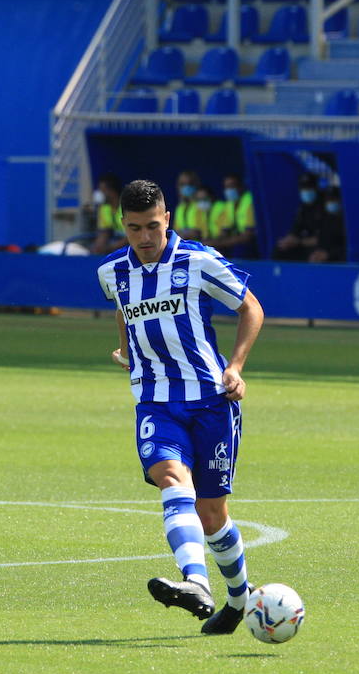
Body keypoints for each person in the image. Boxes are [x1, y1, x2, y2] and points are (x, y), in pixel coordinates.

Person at [96, 179, 266, 634]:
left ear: (167, 218)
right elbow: (122, 308)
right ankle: (197, 582)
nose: (145, 238)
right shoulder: (112, 271)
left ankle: (238, 600)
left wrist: (235, 367)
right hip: (155, 402)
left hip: (211, 400)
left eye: (153, 226)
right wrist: (126, 347)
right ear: (123, 225)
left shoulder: (198, 261)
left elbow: (251, 308)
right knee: (171, 478)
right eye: (134, 229)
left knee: (213, 515)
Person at [276, 173, 335, 263]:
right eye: (303, 188)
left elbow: (325, 238)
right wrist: (288, 240)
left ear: (316, 188)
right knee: (280, 250)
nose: (306, 191)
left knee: (314, 255)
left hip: (323, 246)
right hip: (303, 243)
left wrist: (300, 242)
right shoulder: (303, 207)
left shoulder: (325, 206)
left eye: (309, 188)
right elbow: (296, 230)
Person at [210, 172, 257, 258]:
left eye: (232, 186)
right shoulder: (229, 204)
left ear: (241, 187)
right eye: (226, 187)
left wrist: (222, 243)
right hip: (234, 241)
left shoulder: (249, 201)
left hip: (250, 242)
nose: (229, 190)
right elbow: (224, 232)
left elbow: (248, 236)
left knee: (240, 249)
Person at [88, 173, 125, 255]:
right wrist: (98, 247)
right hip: (117, 243)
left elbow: (132, 236)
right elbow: (104, 233)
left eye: (102, 190)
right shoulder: (104, 209)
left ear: (112, 191)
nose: (99, 194)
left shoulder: (127, 206)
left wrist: (110, 247)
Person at [171, 170, 202, 238]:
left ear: (196, 185)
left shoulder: (201, 205)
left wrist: (182, 234)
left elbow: (199, 232)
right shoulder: (180, 208)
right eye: (183, 184)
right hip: (184, 247)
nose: (187, 187)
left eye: (190, 183)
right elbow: (175, 232)